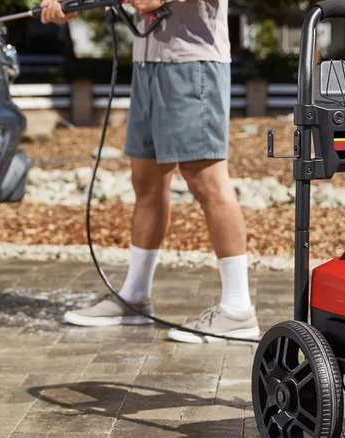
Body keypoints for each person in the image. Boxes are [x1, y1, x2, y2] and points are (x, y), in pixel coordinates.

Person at [41, 0, 259, 343]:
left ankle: (237, 310)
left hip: (193, 62)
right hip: (148, 63)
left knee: (207, 180)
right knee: (146, 179)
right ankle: (134, 296)